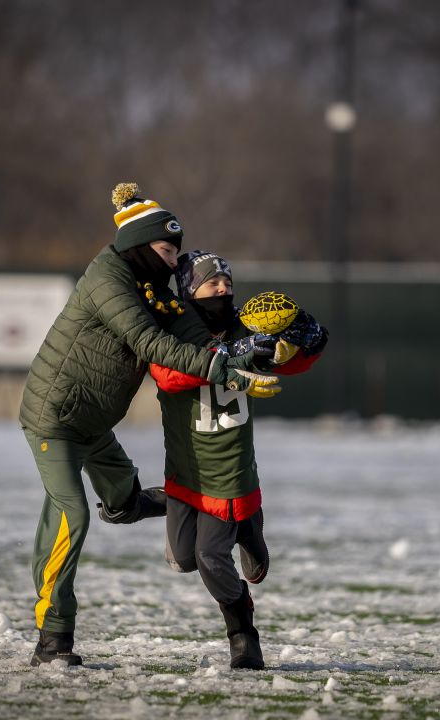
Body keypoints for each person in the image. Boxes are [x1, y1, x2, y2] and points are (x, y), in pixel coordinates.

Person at [19, 185, 282, 667]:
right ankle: (53, 637)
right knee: (70, 515)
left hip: (93, 419)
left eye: (175, 253)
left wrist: (256, 344)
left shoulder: (151, 283)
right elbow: (149, 340)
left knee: (123, 501)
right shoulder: (108, 279)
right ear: (139, 245)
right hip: (53, 418)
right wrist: (223, 365)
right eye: (165, 251)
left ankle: (138, 503)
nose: (170, 262)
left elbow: (192, 326)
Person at [147, 250, 328, 669]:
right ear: (191, 290)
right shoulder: (173, 329)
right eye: (213, 284)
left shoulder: (243, 324)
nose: (223, 290)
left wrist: (306, 341)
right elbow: (168, 375)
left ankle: (242, 632)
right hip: (184, 465)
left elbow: (286, 361)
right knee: (182, 559)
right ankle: (245, 524)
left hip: (227, 466)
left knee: (211, 557)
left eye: (227, 283)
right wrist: (232, 354)